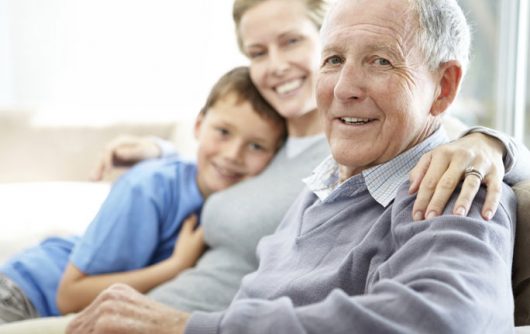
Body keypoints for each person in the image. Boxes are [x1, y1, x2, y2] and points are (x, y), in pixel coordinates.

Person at [1, 0, 529, 332]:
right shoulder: (320, 165)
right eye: (334, 59)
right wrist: (164, 155)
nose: (345, 87)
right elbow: (220, 160)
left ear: (445, 87)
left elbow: (449, 321)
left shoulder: (448, 187)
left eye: (380, 59)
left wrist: (493, 144)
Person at [0, 66, 287, 324]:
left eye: (256, 147)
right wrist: (175, 266)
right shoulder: (147, 187)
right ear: (199, 126)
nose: (232, 154)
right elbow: (69, 295)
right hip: (23, 293)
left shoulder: (238, 201)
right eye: (223, 132)